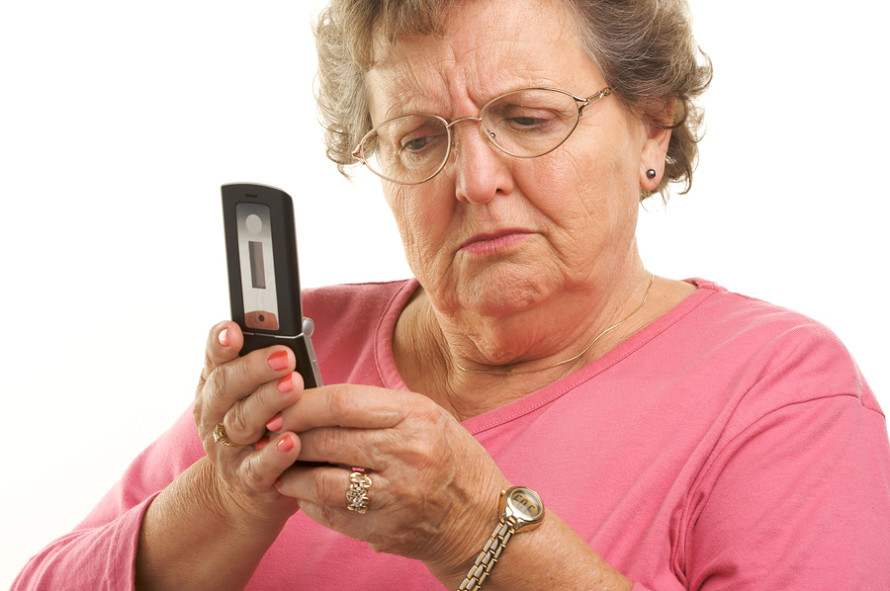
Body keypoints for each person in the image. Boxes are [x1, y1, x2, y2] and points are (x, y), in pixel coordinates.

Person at [13, 0, 890, 589]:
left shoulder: (784, 389)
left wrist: (478, 529)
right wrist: (229, 497)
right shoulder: (306, 355)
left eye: (529, 118)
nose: (474, 180)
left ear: (652, 125)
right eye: (419, 137)